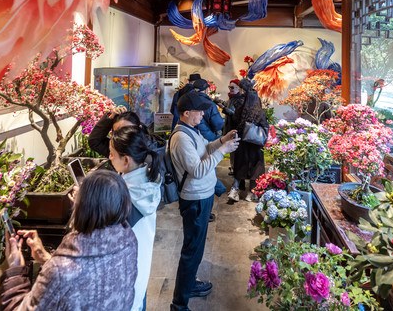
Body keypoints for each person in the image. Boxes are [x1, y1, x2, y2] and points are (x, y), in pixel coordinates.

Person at [1, 169, 138, 311]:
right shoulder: (129, 241)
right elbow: (90, 277)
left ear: (82, 209)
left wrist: (15, 269)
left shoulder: (60, 271)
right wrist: (47, 258)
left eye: (76, 202)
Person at [169, 92, 239, 311]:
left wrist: (221, 141)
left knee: (196, 249)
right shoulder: (180, 138)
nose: (203, 114)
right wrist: (223, 151)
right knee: (191, 251)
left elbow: (205, 150)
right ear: (187, 113)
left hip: (202, 196)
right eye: (200, 111)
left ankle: (190, 285)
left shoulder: (191, 130)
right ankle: (179, 303)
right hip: (195, 199)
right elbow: (198, 170)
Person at [90, 120, 162, 311]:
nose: (109, 156)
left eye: (112, 153)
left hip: (124, 282)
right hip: (139, 271)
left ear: (126, 160)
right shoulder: (146, 180)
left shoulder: (126, 197)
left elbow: (104, 238)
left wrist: (84, 205)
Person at [228, 78, 267, 203]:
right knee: (255, 165)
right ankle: (251, 192)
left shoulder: (240, 103)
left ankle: (235, 190)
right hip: (255, 142)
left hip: (242, 140)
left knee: (240, 164)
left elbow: (235, 119)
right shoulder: (258, 105)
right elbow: (264, 123)